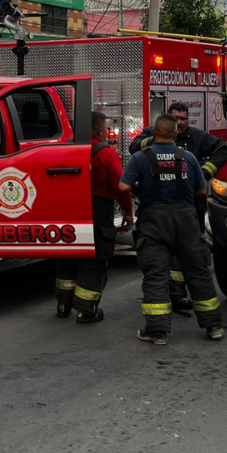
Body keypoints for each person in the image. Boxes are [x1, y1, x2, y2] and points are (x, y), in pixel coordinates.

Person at [119, 114, 223, 345]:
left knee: (156, 273)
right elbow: (202, 192)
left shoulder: (140, 157)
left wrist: (140, 189)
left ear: (153, 133)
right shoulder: (187, 157)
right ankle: (213, 326)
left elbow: (123, 186)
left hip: (154, 221)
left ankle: (157, 332)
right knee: (198, 271)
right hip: (186, 220)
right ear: (176, 134)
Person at [55, 111, 133, 323]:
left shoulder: (65, 149)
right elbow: (120, 186)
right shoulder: (106, 153)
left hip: (68, 212)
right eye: (106, 129)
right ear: (100, 130)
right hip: (97, 212)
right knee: (93, 262)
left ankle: (63, 306)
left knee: (67, 258)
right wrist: (128, 211)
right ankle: (86, 311)